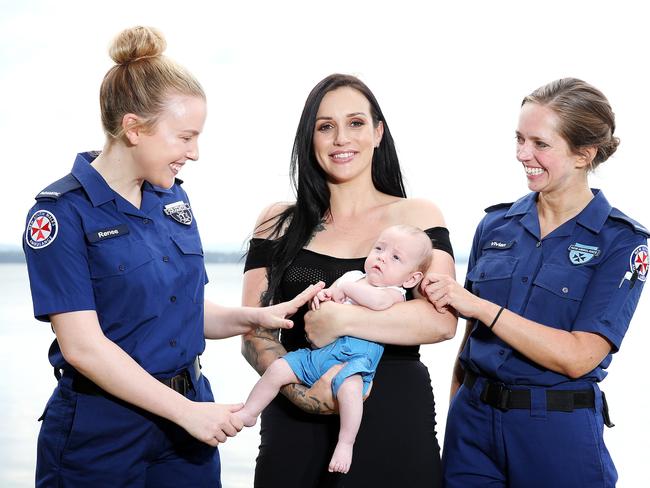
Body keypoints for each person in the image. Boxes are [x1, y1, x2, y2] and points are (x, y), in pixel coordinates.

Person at [22, 26, 323, 488]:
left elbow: (183, 311)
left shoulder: (171, 202)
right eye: (185, 137)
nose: (194, 153)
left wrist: (254, 316)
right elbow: (83, 347)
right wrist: (189, 415)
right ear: (134, 128)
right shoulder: (60, 215)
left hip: (185, 428)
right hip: (103, 433)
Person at [422, 78, 648, 488]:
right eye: (519, 139)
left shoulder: (623, 242)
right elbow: (470, 338)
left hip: (556, 431)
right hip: (472, 425)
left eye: (540, 144)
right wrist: (456, 412)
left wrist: (483, 308)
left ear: (584, 154)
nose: (523, 154)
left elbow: (580, 356)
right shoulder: (495, 224)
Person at [242, 73, 457, 487]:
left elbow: (441, 320)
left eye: (356, 123)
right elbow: (253, 328)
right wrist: (304, 395)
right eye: (326, 127)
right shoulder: (276, 222)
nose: (342, 138)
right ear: (310, 139)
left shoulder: (418, 216)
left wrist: (341, 321)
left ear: (378, 133)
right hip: (292, 419)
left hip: (392, 415)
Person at [237, 224, 432, 474]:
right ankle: (250, 411)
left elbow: (377, 302)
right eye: (379, 249)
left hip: (355, 359)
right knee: (278, 369)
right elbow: (330, 298)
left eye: (395, 257)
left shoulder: (393, 292)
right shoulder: (351, 276)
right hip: (322, 353)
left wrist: (346, 291)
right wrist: (324, 297)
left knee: (350, 389)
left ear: (411, 278)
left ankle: (345, 442)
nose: (382, 257)